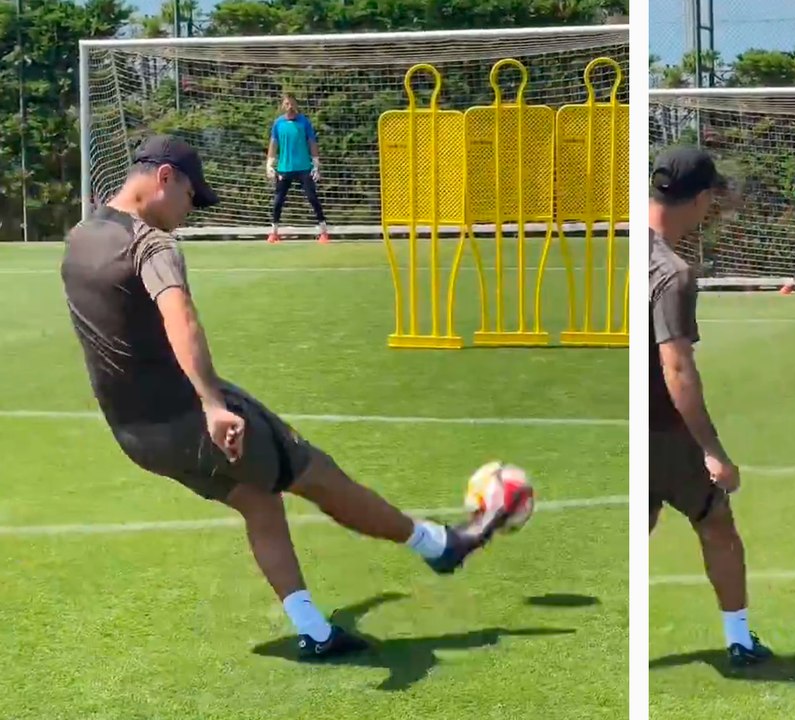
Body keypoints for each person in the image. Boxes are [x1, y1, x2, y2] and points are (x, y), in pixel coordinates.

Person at [60, 135, 525, 660]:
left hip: (135, 436)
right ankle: (438, 545)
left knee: (257, 498)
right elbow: (179, 317)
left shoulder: (81, 237)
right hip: (187, 417)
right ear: (165, 177)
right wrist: (213, 404)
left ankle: (315, 631)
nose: (189, 212)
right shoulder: (151, 245)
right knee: (313, 471)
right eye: (191, 197)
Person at [649, 145, 772, 667]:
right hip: (662, 433)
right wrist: (712, 450)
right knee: (716, 521)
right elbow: (677, 369)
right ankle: (739, 640)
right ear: (700, 199)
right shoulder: (671, 272)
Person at [266, 94, 329, 244]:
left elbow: (312, 142)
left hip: (304, 167)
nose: (290, 107)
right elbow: (273, 144)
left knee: (312, 198)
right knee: (278, 201)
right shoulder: (278, 123)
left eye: (292, 104)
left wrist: (316, 165)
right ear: (283, 106)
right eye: (287, 104)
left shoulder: (304, 122)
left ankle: (323, 232)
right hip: (284, 168)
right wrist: (269, 164)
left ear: (296, 105)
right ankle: (274, 233)